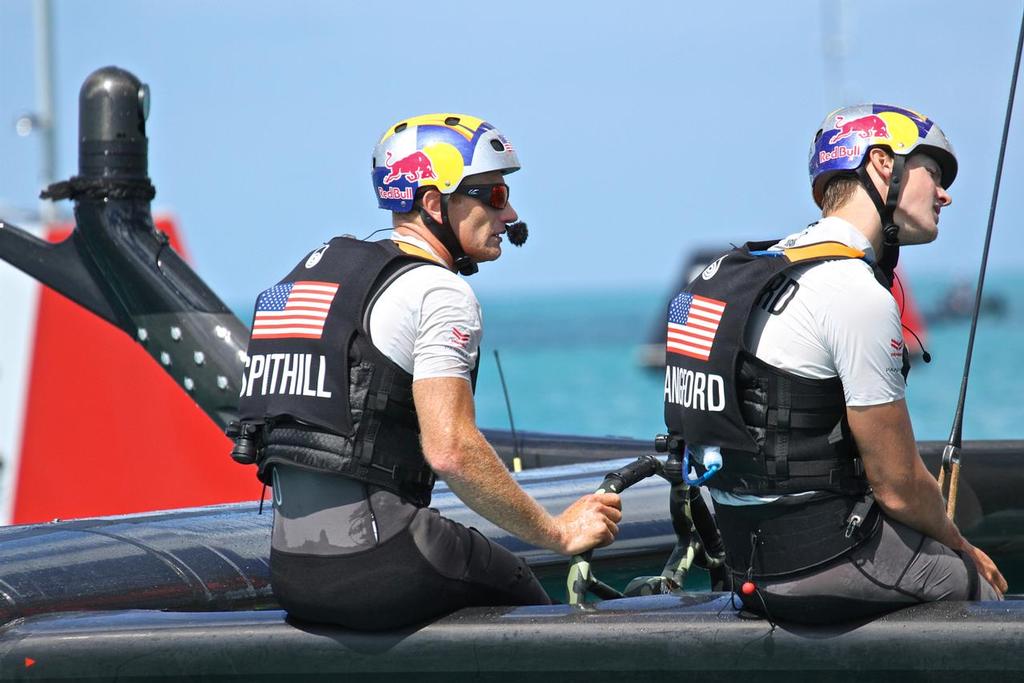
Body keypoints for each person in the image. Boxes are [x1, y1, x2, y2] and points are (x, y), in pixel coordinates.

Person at [232, 114, 621, 630]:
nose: (511, 214)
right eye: (495, 195)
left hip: (292, 572)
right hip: (379, 563)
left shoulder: (311, 284)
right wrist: (559, 532)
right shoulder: (440, 292)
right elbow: (451, 450)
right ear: (435, 203)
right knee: (530, 603)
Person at [662, 104, 1007, 624]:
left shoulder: (760, 268)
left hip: (743, 560)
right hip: (821, 559)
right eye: (933, 173)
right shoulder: (852, 290)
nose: (945, 193)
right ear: (882, 164)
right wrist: (960, 546)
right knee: (979, 587)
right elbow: (896, 483)